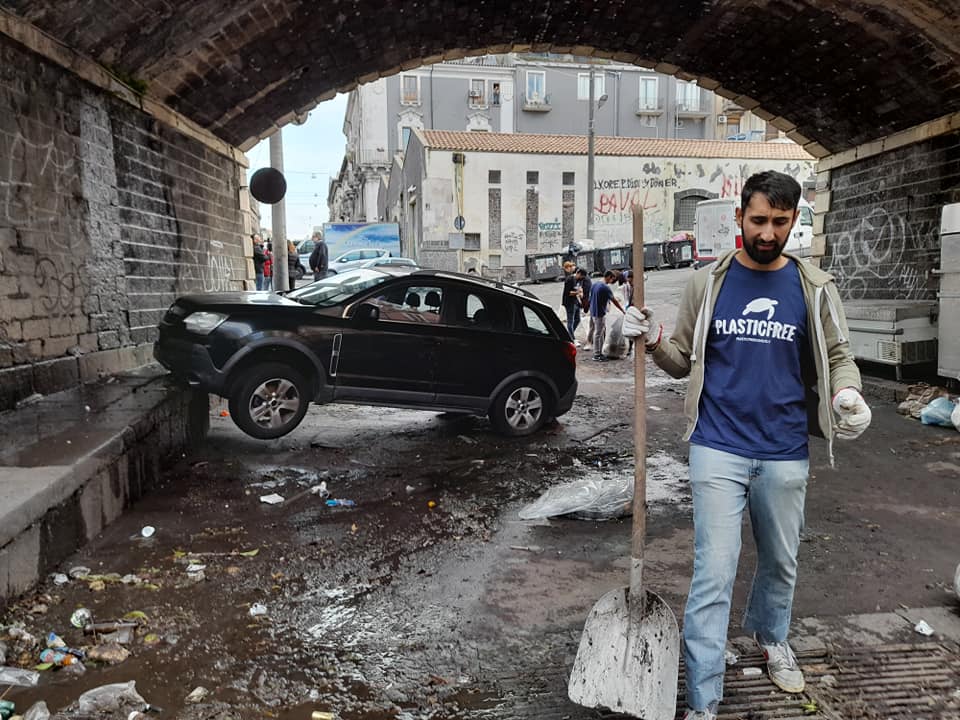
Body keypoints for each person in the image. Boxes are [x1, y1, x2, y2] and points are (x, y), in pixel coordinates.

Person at [623, 170, 872, 720]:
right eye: (758, 220)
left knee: (781, 561)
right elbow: (682, 360)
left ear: (793, 222)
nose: (767, 232)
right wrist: (654, 337)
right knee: (715, 569)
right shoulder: (708, 283)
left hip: (785, 448)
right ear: (740, 218)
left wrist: (847, 393)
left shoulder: (814, 287)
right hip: (718, 444)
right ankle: (704, 701)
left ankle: (769, 635)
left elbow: (839, 355)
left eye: (780, 222)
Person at [588, 270, 624, 361]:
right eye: (612, 279)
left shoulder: (595, 284)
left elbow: (590, 298)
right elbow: (614, 300)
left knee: (598, 332)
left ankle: (599, 352)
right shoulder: (605, 287)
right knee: (598, 333)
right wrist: (622, 310)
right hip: (599, 312)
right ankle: (597, 354)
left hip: (593, 311)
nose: (612, 282)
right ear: (608, 277)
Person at [561, 265, 583, 340]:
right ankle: (571, 338)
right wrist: (578, 292)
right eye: (581, 277)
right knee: (570, 320)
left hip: (575, 302)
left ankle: (569, 334)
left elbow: (577, 288)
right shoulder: (570, 279)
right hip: (569, 302)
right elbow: (568, 293)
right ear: (578, 274)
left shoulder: (577, 280)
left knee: (578, 319)